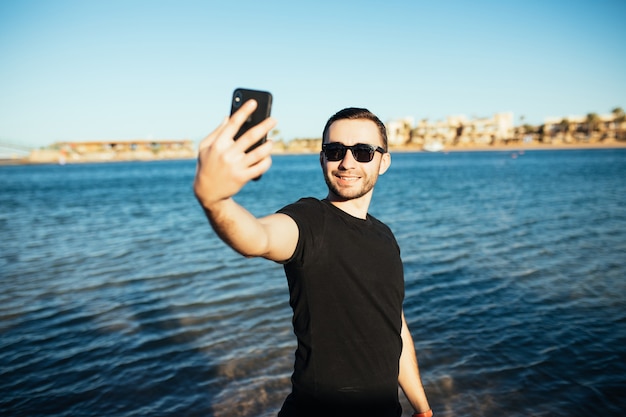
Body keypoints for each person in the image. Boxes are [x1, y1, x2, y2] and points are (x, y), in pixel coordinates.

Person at [194, 99, 432, 417]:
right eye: (335, 151)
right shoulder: (310, 220)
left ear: (383, 162)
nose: (347, 162)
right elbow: (258, 238)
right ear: (322, 158)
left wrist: (422, 407)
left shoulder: (385, 237)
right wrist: (215, 200)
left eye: (362, 151)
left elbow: (394, 326)